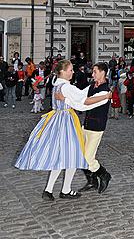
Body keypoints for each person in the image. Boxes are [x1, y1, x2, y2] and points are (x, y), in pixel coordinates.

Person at [15, 59, 112, 201]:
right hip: (66, 121)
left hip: (57, 119)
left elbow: (84, 93)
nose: (72, 72)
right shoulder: (66, 87)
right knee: (71, 156)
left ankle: (49, 190)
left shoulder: (57, 84)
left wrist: (101, 92)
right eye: (70, 70)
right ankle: (65, 189)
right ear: (63, 71)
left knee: (61, 156)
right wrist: (106, 95)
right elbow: (82, 100)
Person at [77, 62, 112, 194]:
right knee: (80, 155)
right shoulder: (92, 86)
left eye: (95, 72)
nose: (92, 74)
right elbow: (81, 95)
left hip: (96, 127)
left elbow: (87, 101)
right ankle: (92, 182)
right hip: (86, 124)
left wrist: (107, 95)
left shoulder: (105, 89)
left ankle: (104, 174)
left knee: (87, 157)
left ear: (103, 73)